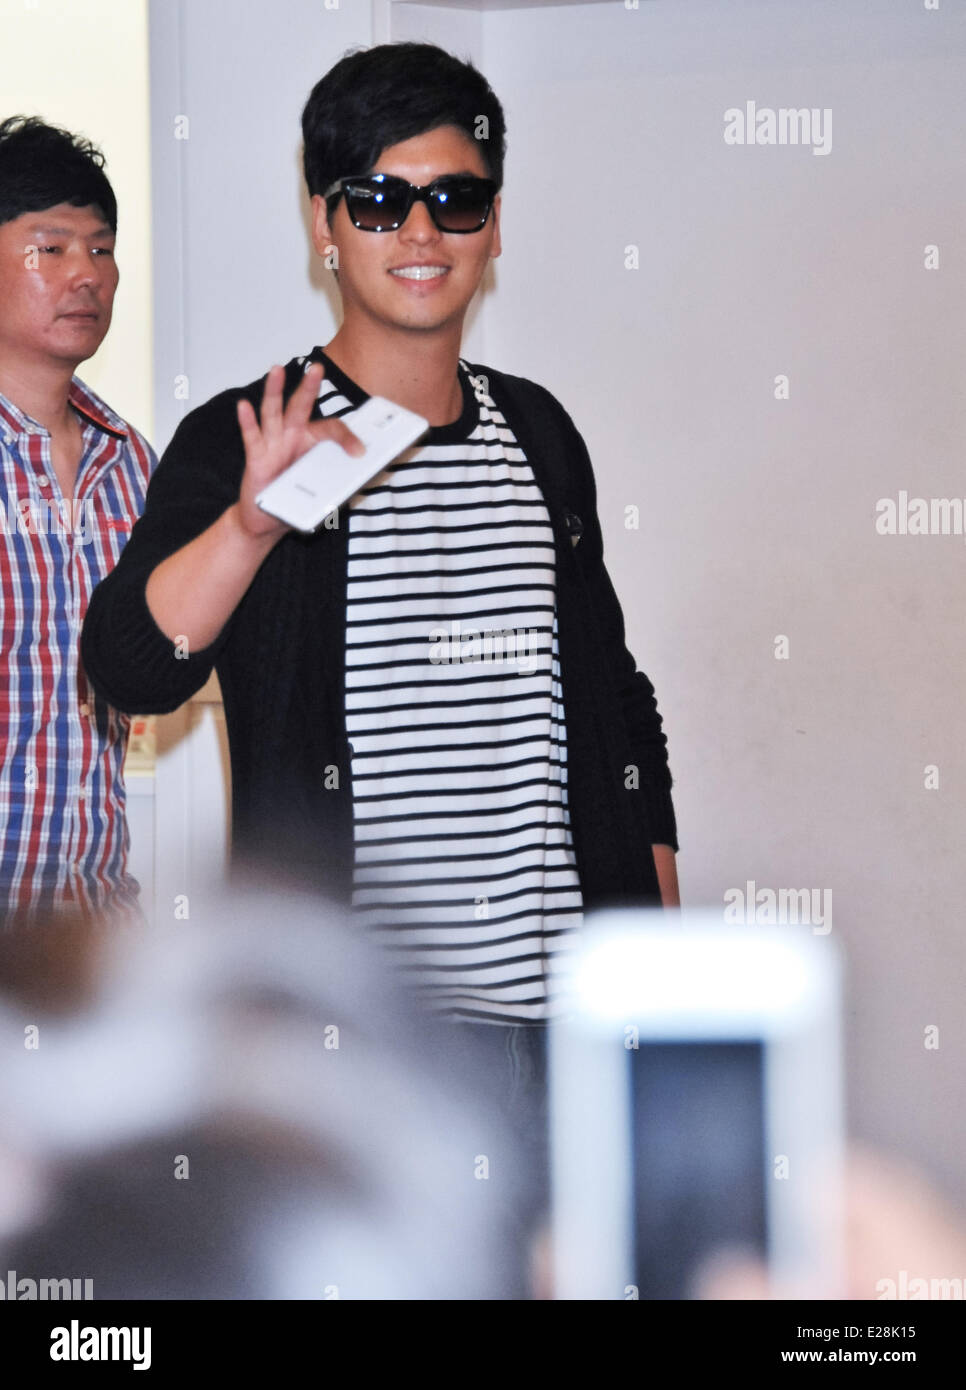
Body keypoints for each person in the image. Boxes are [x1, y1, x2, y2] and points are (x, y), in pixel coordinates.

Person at [81, 43, 679, 1261]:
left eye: (455, 198)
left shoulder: (542, 434)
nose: (421, 228)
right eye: (378, 198)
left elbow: (615, 698)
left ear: (494, 225)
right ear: (326, 224)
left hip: (562, 1023)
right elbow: (136, 670)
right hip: (356, 1044)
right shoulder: (250, 433)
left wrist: (660, 950)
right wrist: (250, 523)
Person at [0, 117, 155, 927]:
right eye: (49, 248)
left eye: (100, 248)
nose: (86, 275)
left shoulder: (135, 464)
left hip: (92, 942)